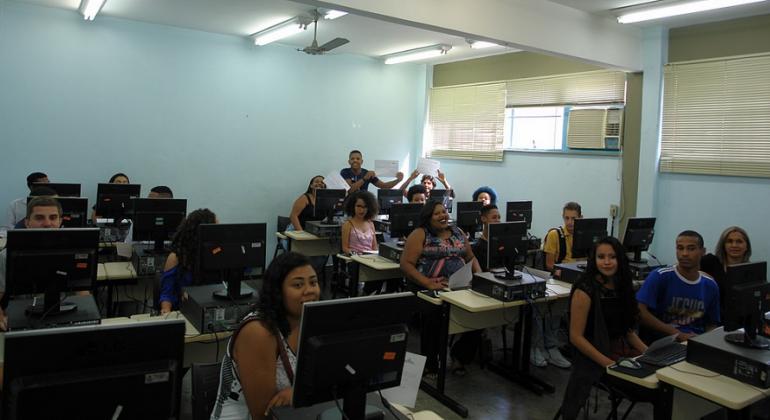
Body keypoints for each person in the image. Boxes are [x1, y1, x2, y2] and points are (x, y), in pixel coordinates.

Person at [211, 252, 320, 420]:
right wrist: (302, 394)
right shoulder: (258, 331)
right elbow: (263, 413)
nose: (310, 291)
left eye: (313, 282)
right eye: (298, 285)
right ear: (278, 291)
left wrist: (298, 393)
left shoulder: (309, 321)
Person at [560, 237, 648, 419]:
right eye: (601, 257)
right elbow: (576, 337)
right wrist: (608, 363)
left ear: (620, 259)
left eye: (612, 257)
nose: (607, 262)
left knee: (658, 383)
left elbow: (627, 330)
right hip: (595, 358)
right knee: (649, 389)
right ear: (594, 259)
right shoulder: (585, 290)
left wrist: (648, 352)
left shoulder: (621, 285)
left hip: (619, 351)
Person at [400, 201, 481, 374]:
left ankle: (460, 356)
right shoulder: (420, 234)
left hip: (459, 285)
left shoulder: (458, 232)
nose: (442, 215)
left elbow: (470, 257)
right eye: (437, 213)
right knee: (435, 315)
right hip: (427, 287)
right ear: (428, 217)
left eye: (444, 212)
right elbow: (406, 264)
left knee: (478, 314)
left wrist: (480, 276)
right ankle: (430, 364)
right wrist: (428, 283)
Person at [636, 230, 720, 342]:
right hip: (663, 340)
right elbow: (640, 312)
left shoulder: (710, 285)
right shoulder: (660, 276)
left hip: (695, 341)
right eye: (680, 248)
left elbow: (712, 323)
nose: (684, 253)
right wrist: (677, 334)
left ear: (702, 252)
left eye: (691, 248)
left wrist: (705, 342)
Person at [0, 196, 63, 330]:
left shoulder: (70, 252)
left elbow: (82, 290)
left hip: (62, 314)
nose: (47, 223)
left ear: (60, 221)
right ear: (27, 223)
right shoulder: (7, 256)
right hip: (22, 317)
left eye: (53, 218)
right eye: (39, 218)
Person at [158, 208, 217, 314]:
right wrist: (166, 310)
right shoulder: (177, 257)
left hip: (209, 310)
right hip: (182, 311)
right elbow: (167, 293)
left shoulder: (216, 254)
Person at [700, 226, 751, 320]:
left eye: (739, 241)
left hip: (740, 323)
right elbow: (683, 269)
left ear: (746, 246)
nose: (734, 245)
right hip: (709, 319)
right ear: (723, 245)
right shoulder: (709, 261)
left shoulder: (752, 271)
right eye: (729, 241)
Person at [543, 201, 583, 276]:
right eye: (566, 218)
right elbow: (549, 265)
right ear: (563, 217)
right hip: (562, 275)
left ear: (581, 218)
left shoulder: (585, 236)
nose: (569, 222)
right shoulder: (554, 235)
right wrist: (564, 274)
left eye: (573, 218)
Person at [341, 190, 378, 255]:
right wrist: (355, 255)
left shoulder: (370, 224)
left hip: (369, 260)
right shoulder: (348, 224)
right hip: (354, 260)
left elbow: (374, 247)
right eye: (358, 206)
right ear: (353, 206)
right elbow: (345, 248)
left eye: (365, 207)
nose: (362, 210)